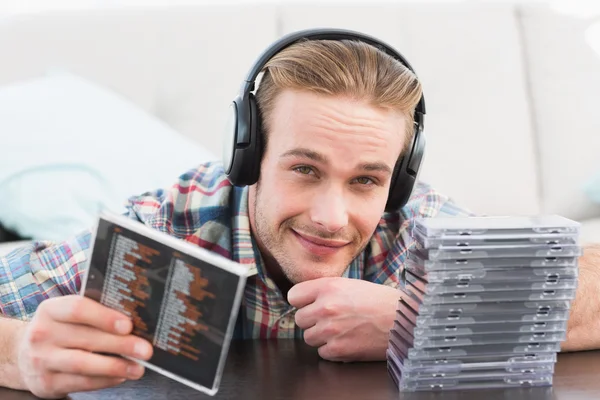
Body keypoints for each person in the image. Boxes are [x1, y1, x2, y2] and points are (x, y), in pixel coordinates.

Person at [1, 28, 599, 399]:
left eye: (366, 179)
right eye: (305, 169)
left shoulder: (417, 225)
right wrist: (23, 358)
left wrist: (421, 316)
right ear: (252, 155)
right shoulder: (164, 227)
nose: (333, 218)